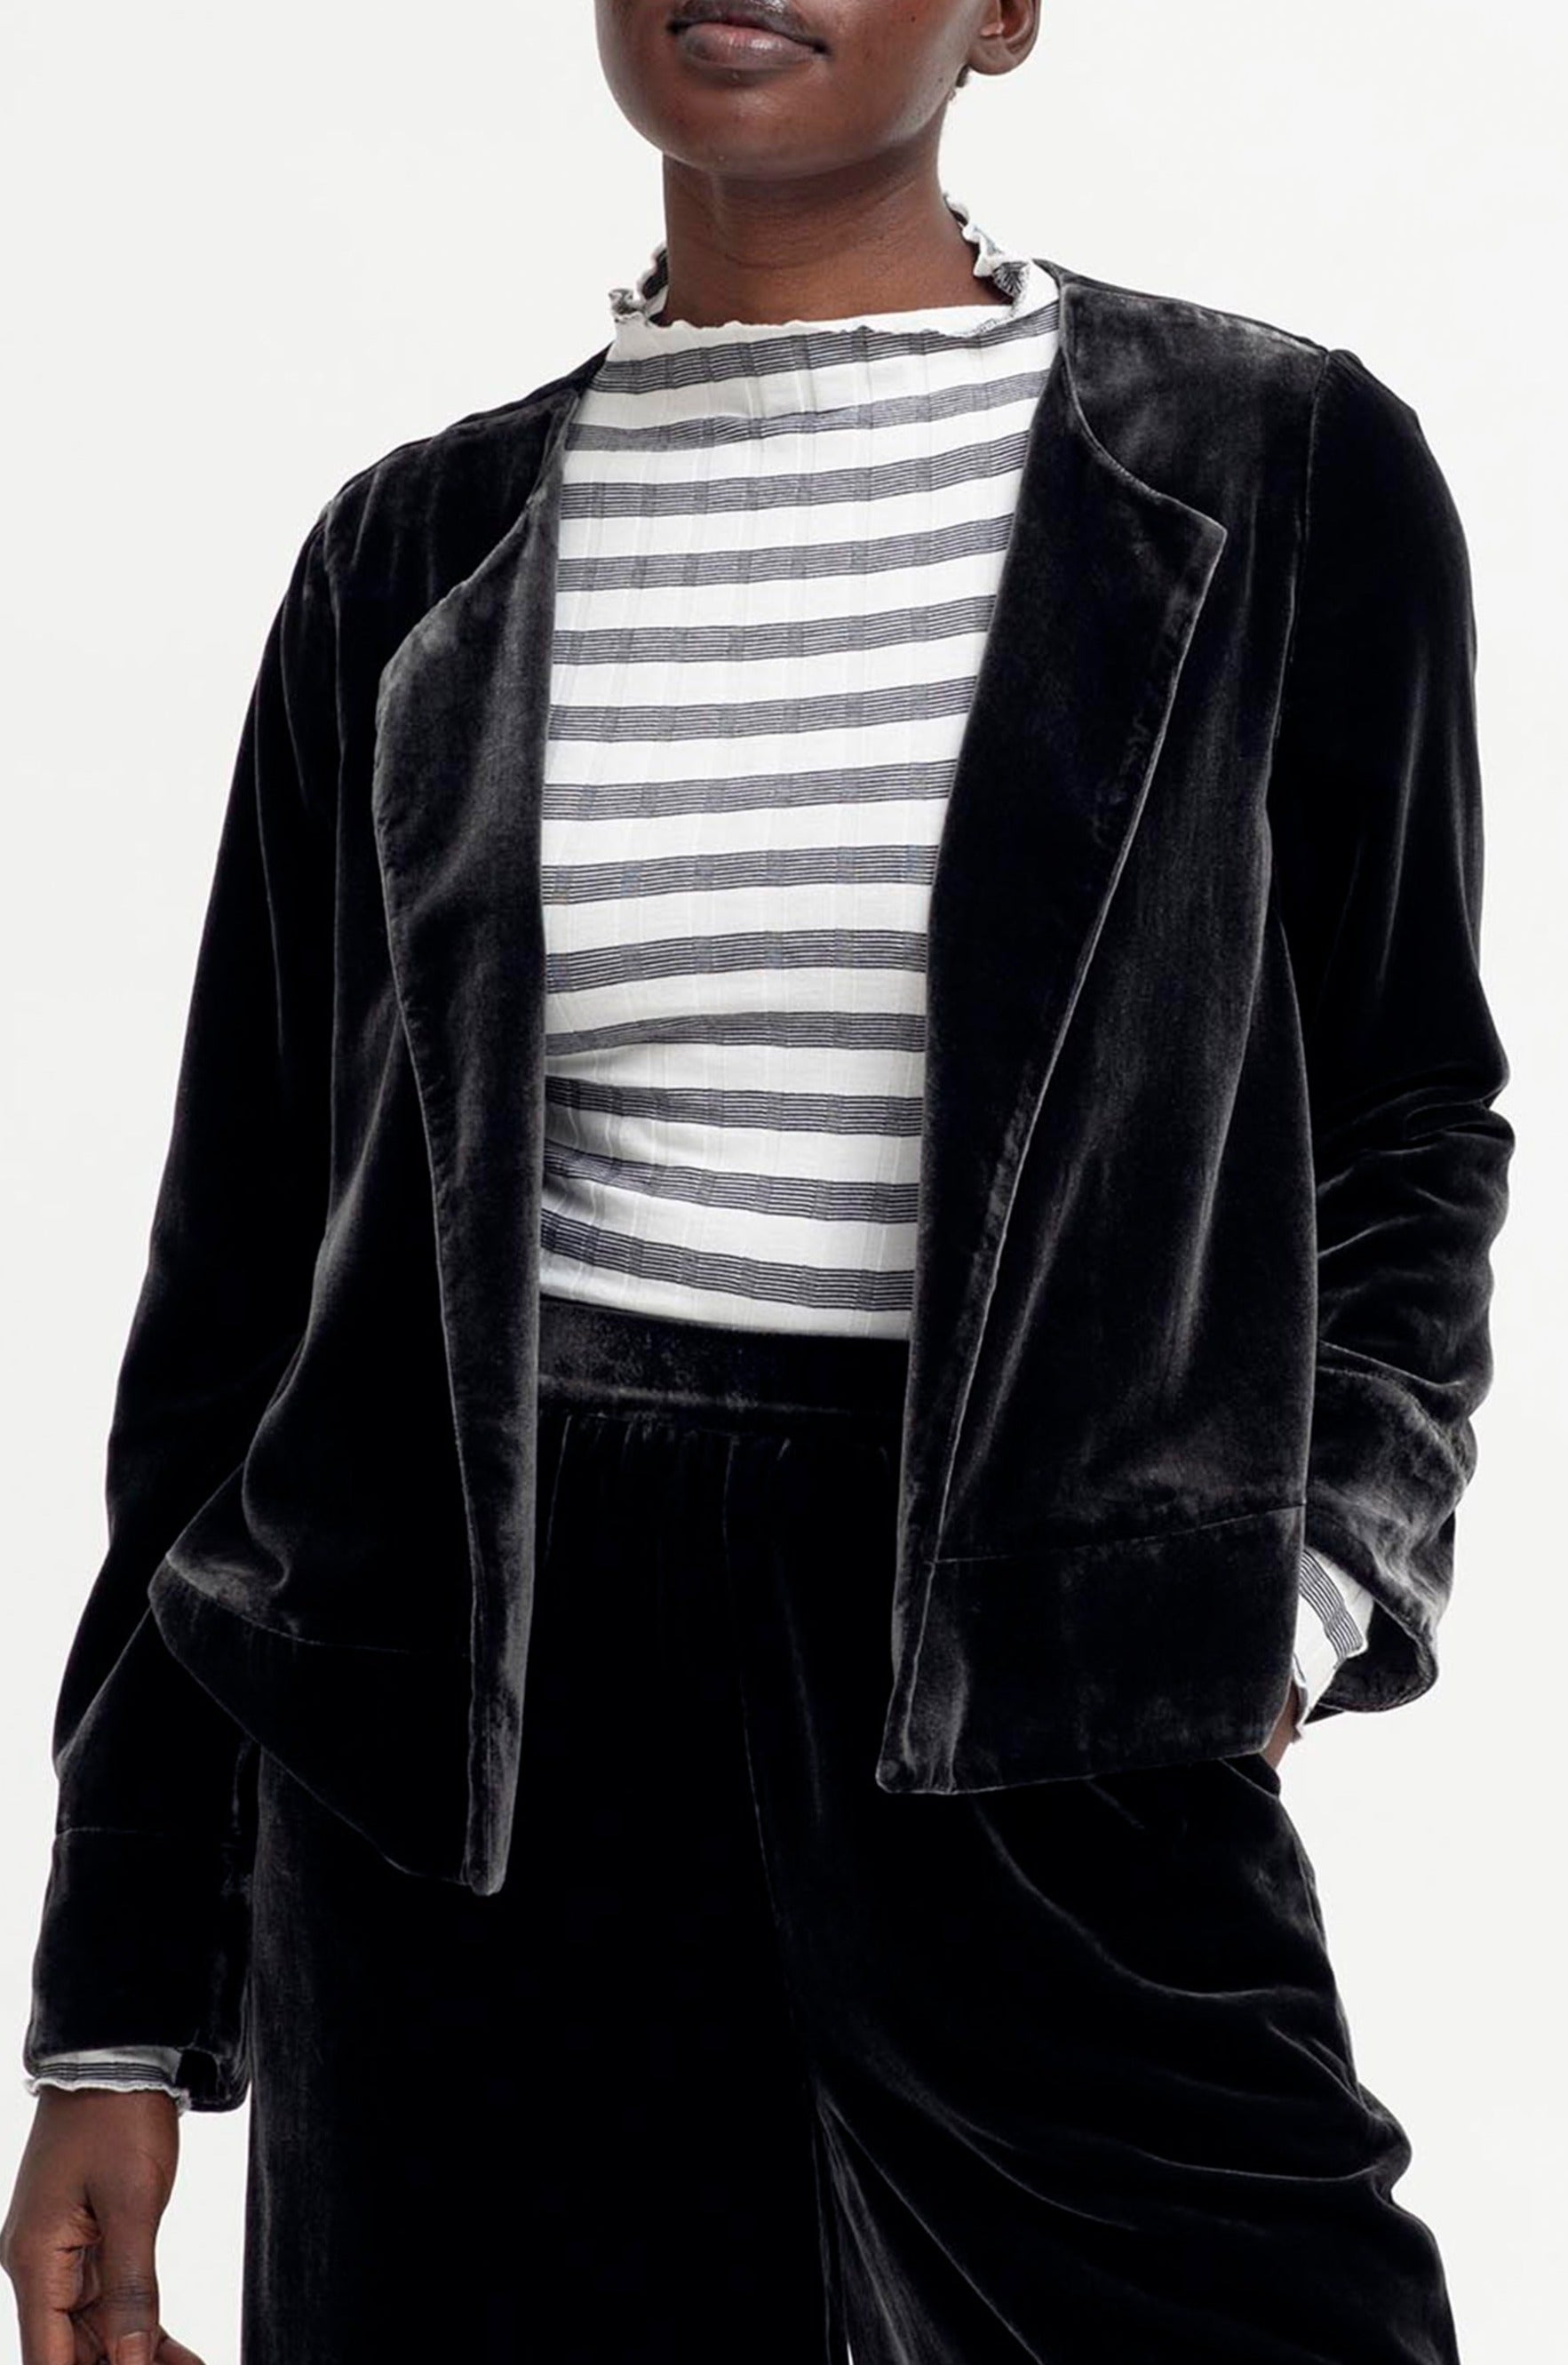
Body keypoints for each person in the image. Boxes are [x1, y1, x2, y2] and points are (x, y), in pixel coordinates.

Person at [2, 2, 1513, 2359]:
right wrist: (117, 2015)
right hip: (476, 1769)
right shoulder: (410, 557)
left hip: (1042, 1706)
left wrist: (1301, 1587)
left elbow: (1411, 1115)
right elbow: (234, 1312)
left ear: (1005, 12)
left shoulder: (1277, 468)